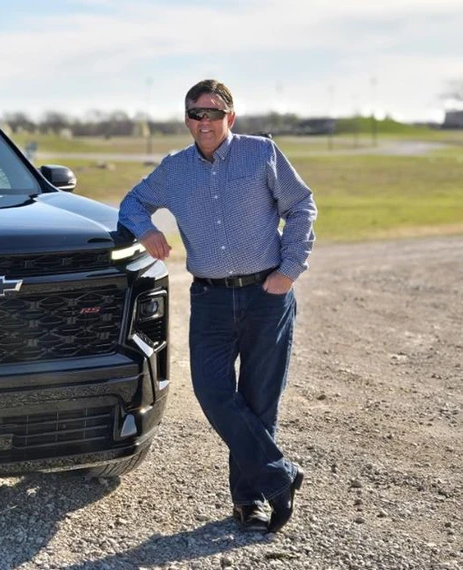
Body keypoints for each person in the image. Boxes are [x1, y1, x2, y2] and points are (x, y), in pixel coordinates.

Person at [118, 79, 317, 533]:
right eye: (195, 113)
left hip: (267, 295)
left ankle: (250, 502)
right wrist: (146, 230)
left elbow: (302, 206)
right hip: (210, 299)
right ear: (187, 119)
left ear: (231, 116)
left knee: (259, 400)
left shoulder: (260, 153)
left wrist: (289, 270)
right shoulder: (174, 169)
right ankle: (279, 475)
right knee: (211, 391)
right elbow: (132, 203)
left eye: (212, 113)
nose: (203, 122)